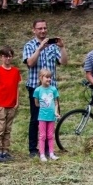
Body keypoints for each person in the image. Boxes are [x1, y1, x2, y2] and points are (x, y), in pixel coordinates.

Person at [23, 19, 67, 157]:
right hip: (35, 88)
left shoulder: (53, 46)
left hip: (51, 89)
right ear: (34, 30)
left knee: (50, 118)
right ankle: (33, 148)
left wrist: (62, 47)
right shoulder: (29, 45)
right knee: (36, 117)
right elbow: (30, 63)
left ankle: (48, 148)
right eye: (40, 28)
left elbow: (64, 62)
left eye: (44, 28)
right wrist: (39, 48)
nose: (43, 31)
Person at [0, 45, 21, 163]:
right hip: (1, 104)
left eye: (10, 56)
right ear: (1, 57)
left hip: (12, 104)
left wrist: (17, 101)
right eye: (5, 56)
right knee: (0, 129)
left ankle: (5, 151)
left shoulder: (15, 71)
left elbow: (17, 87)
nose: (8, 59)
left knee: (8, 129)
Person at [33, 68, 59, 162]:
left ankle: (51, 153)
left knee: (50, 135)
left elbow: (56, 102)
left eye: (50, 77)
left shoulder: (53, 89)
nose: (49, 79)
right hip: (42, 117)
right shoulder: (37, 90)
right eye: (46, 77)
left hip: (51, 117)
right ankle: (42, 154)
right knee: (42, 135)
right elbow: (36, 103)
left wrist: (55, 112)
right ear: (41, 78)